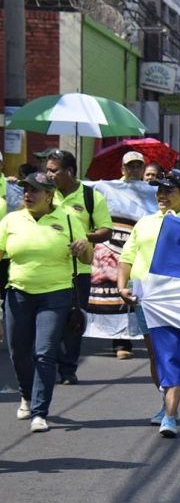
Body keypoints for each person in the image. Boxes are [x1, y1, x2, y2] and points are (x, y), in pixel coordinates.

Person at [117, 171, 180, 438]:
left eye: (169, 190)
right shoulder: (145, 222)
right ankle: (166, 403)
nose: (162, 195)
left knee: (174, 354)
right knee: (156, 355)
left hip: (179, 298)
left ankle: (170, 414)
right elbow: (127, 257)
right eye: (159, 190)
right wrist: (121, 287)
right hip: (145, 298)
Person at [0, 172, 93, 432]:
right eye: (25, 189)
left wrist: (83, 246)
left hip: (55, 295)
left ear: (50, 195)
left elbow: (87, 259)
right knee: (19, 352)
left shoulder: (69, 218)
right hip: (18, 294)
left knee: (45, 352)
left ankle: (39, 412)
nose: (28, 194)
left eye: (35, 190)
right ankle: (27, 395)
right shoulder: (11, 220)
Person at [46, 149, 113, 384]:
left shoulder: (91, 197)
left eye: (54, 171)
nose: (49, 175)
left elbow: (106, 230)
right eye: (47, 170)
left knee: (73, 321)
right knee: (47, 319)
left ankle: (67, 369)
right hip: (48, 268)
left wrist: (84, 238)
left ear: (70, 171)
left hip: (79, 271)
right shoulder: (46, 193)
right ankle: (47, 364)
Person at [115, 151, 147, 358]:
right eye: (130, 166)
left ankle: (143, 337)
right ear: (122, 169)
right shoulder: (112, 189)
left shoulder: (151, 190)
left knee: (138, 294)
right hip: (117, 244)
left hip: (142, 245)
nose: (134, 170)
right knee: (119, 295)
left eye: (138, 166)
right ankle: (121, 342)